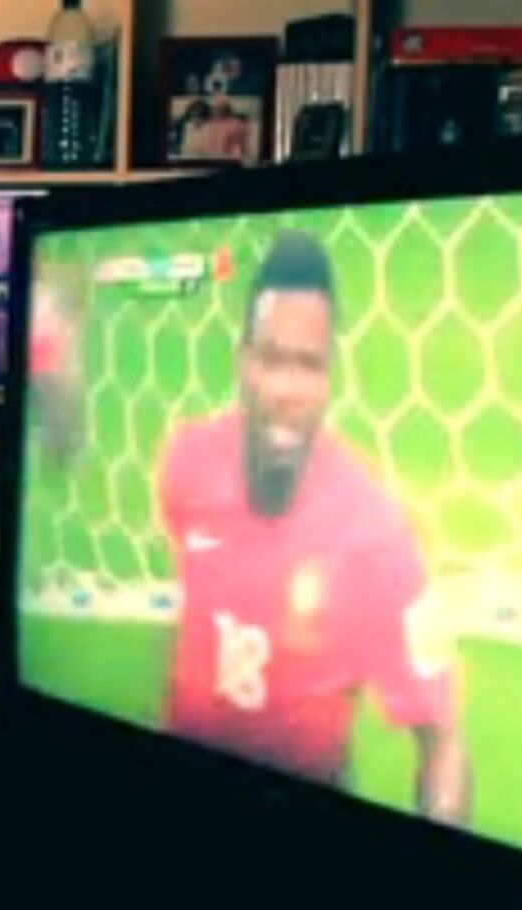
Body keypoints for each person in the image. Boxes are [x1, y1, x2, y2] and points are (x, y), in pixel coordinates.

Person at [156, 229, 472, 824]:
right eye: (272, 360)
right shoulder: (188, 463)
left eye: (308, 366)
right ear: (243, 363)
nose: (288, 391)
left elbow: (443, 740)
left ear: (329, 379)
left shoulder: (375, 533)